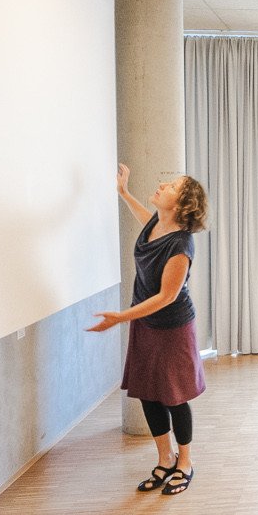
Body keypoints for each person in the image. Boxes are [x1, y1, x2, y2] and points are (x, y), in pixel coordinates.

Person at [89, 164, 208, 497]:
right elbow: (146, 222)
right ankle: (165, 458)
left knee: (174, 395)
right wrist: (124, 193)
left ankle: (185, 462)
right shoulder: (158, 223)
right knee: (148, 392)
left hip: (172, 327)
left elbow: (166, 296)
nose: (163, 185)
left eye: (172, 186)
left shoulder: (181, 246)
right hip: (145, 322)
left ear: (182, 204)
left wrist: (121, 317)